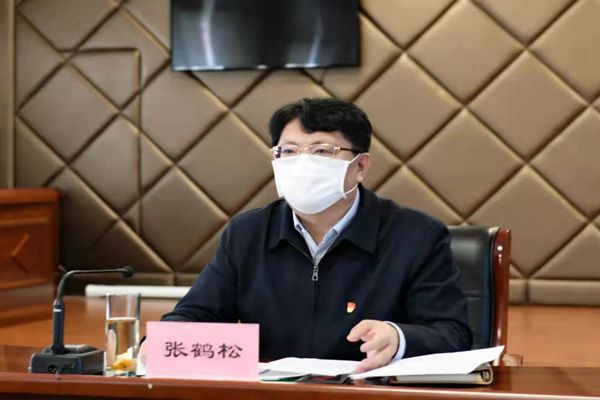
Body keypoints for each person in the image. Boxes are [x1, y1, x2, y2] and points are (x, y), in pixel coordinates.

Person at [161, 97, 472, 372]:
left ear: (360, 166)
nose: (303, 163)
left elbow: (452, 334)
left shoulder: (416, 235)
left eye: (322, 151)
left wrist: (398, 337)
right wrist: (163, 341)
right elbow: (196, 314)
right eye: (289, 151)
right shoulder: (248, 232)